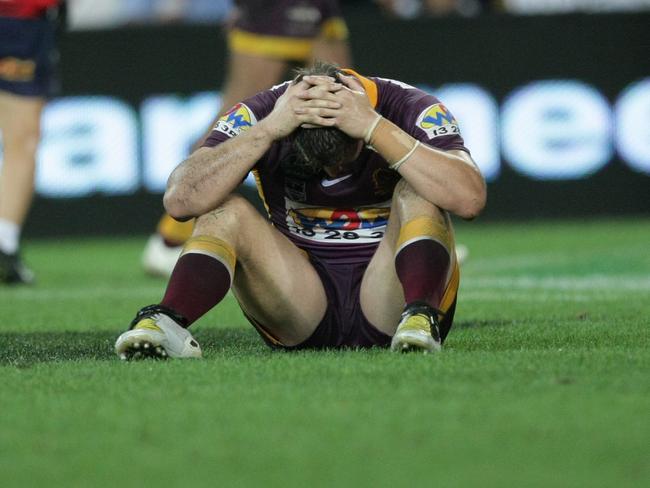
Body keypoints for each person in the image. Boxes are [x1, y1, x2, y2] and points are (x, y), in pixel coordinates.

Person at [115, 61, 486, 359]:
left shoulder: (411, 108)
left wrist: (374, 127)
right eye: (319, 165)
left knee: (418, 190)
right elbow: (180, 201)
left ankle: (421, 317)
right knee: (224, 210)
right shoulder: (262, 113)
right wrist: (269, 130)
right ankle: (166, 321)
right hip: (300, 302)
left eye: (343, 161)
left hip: (389, 295)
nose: (333, 174)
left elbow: (468, 199)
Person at [142, 0, 352, 277]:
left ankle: (337, 234)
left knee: (340, 102)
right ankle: (171, 237)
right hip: (274, 8)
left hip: (321, 6)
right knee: (235, 119)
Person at [0, 0, 61, 284]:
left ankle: (4, 243)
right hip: (20, 18)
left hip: (22, 18)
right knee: (22, 138)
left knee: (22, 136)